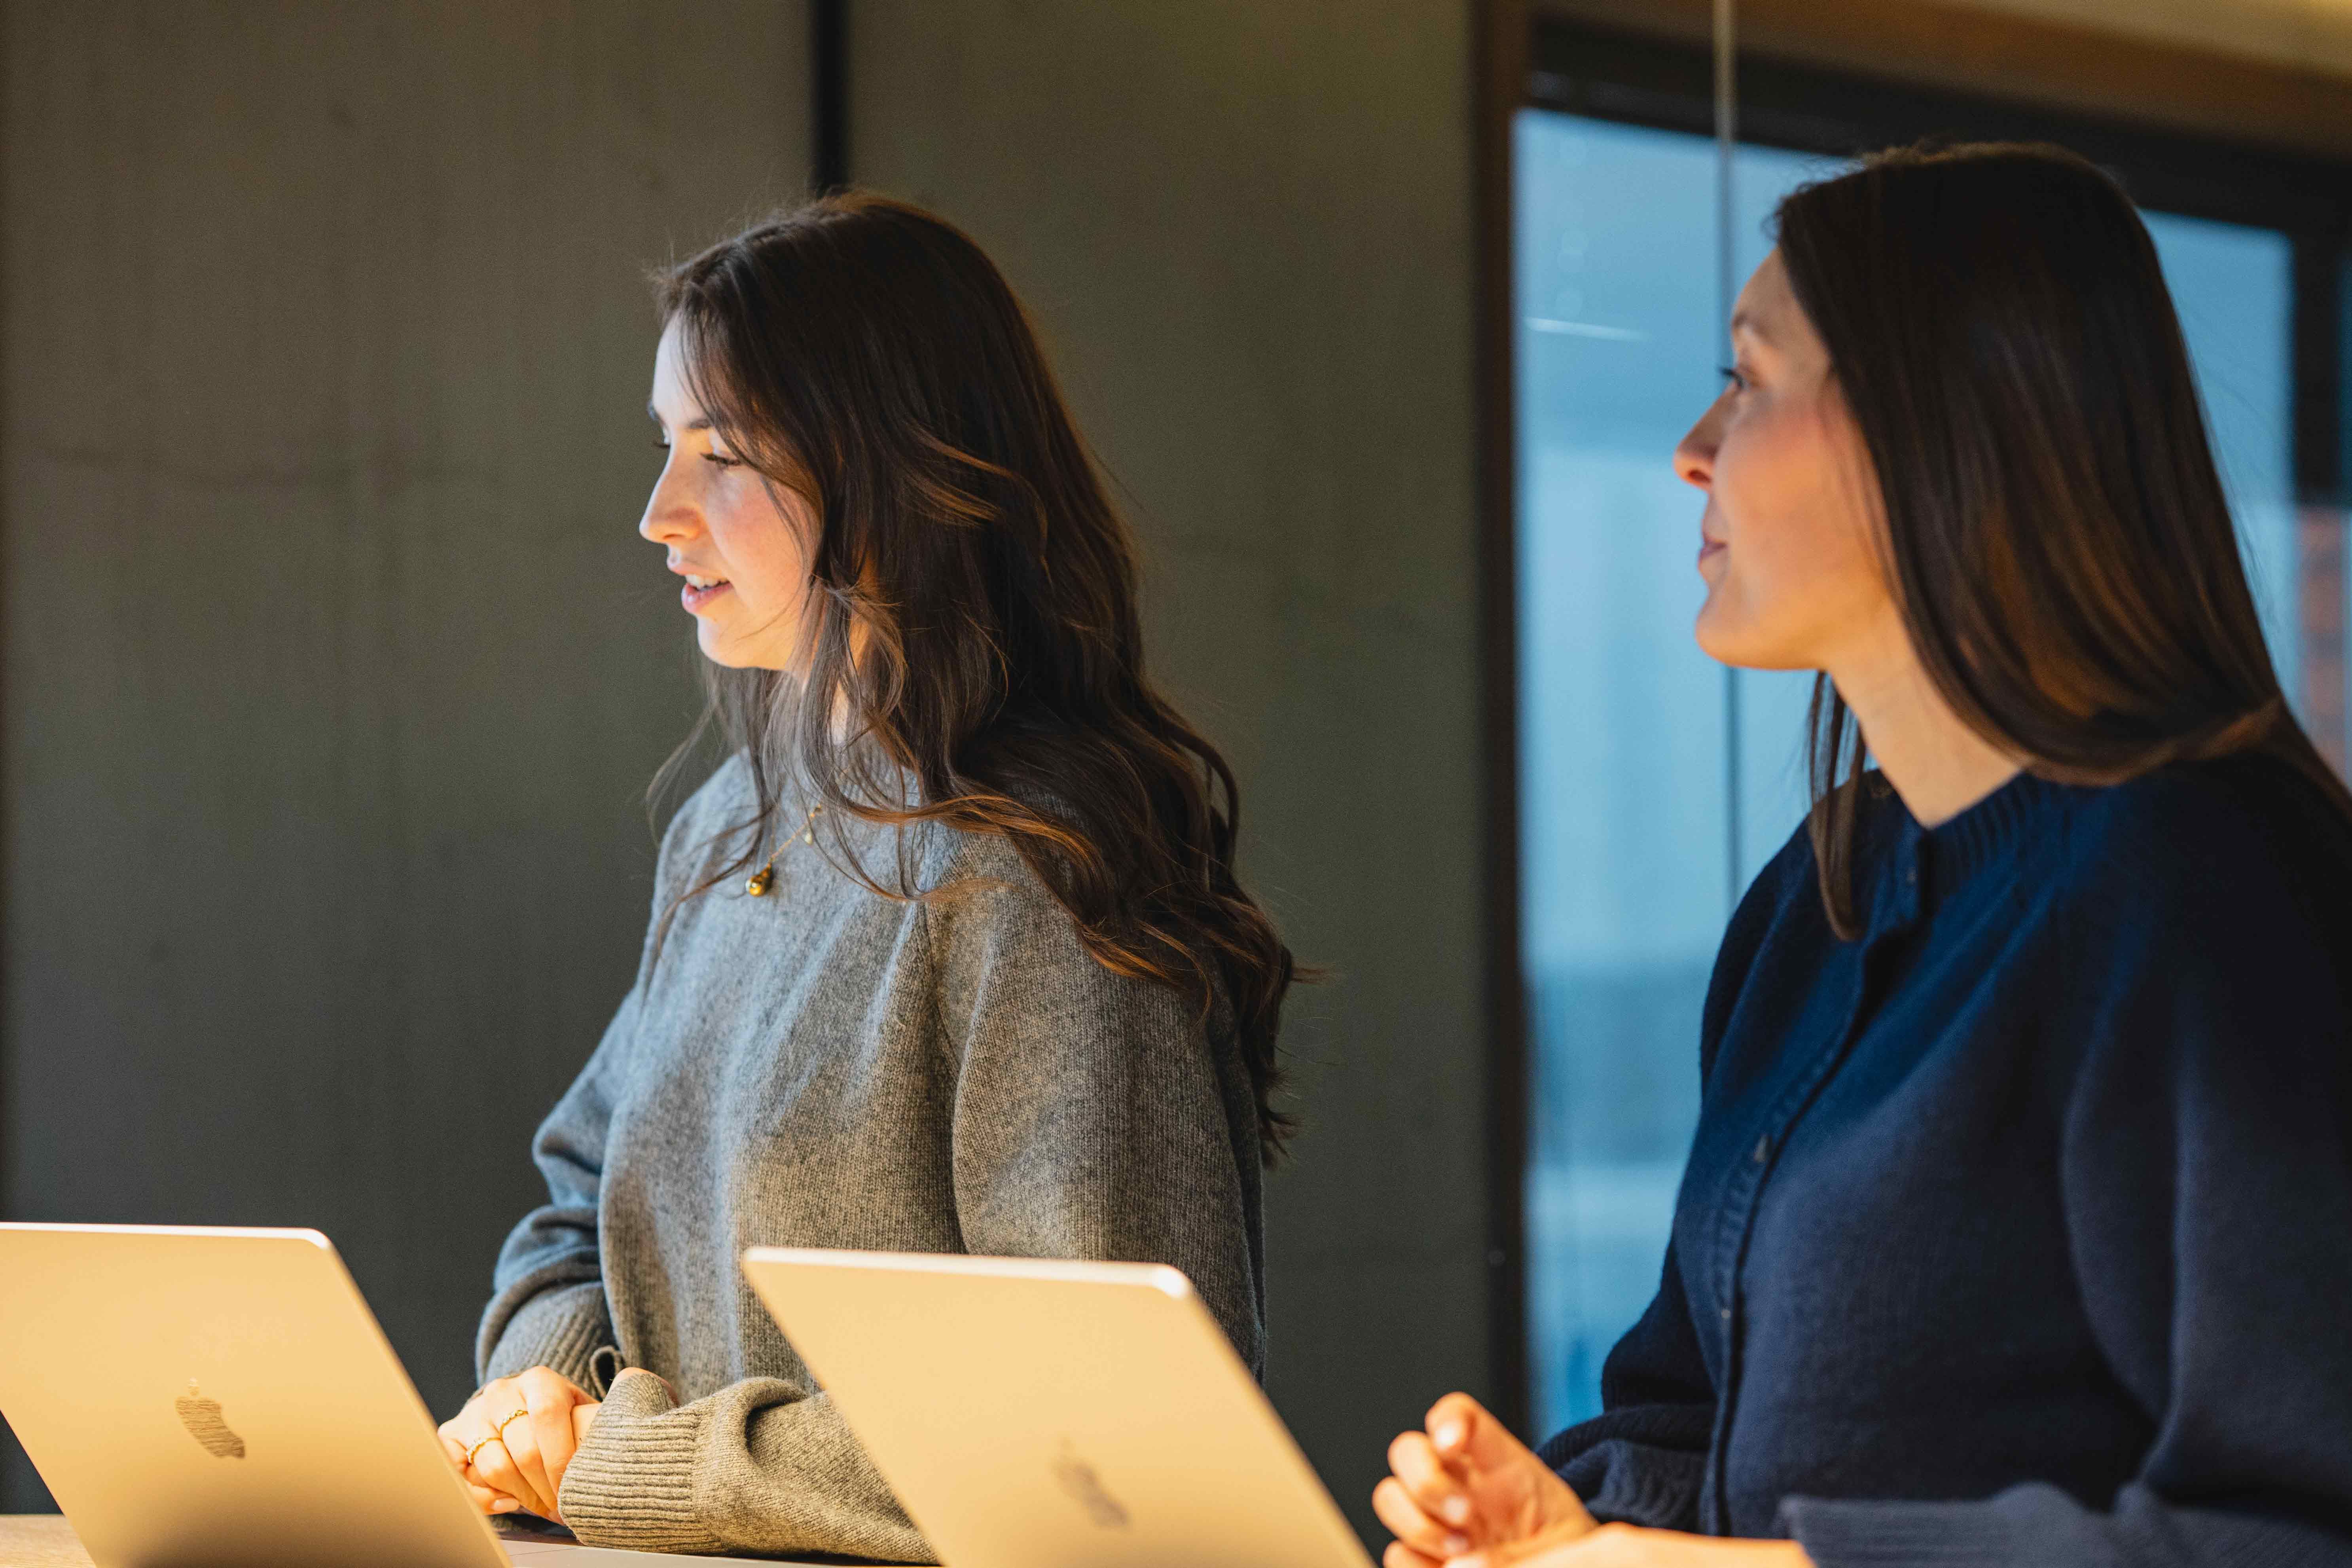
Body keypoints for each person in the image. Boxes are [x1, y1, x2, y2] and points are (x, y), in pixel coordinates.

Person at [1376, 143, 2352, 1566]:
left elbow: (2293, 1530)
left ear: (1937, 429)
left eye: (1751, 376)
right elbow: (1697, 1418)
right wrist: (1561, 1519)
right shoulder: (1817, 892)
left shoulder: (2199, 885)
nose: (1692, 445)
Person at [430, 193, 1296, 1560]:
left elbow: (1102, 1436)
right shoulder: (725, 829)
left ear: (889, 475)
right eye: (666, 449)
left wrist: (628, 1458)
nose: (660, 516)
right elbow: (573, 1205)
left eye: (722, 458)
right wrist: (551, 1395)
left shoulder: (1036, 867)